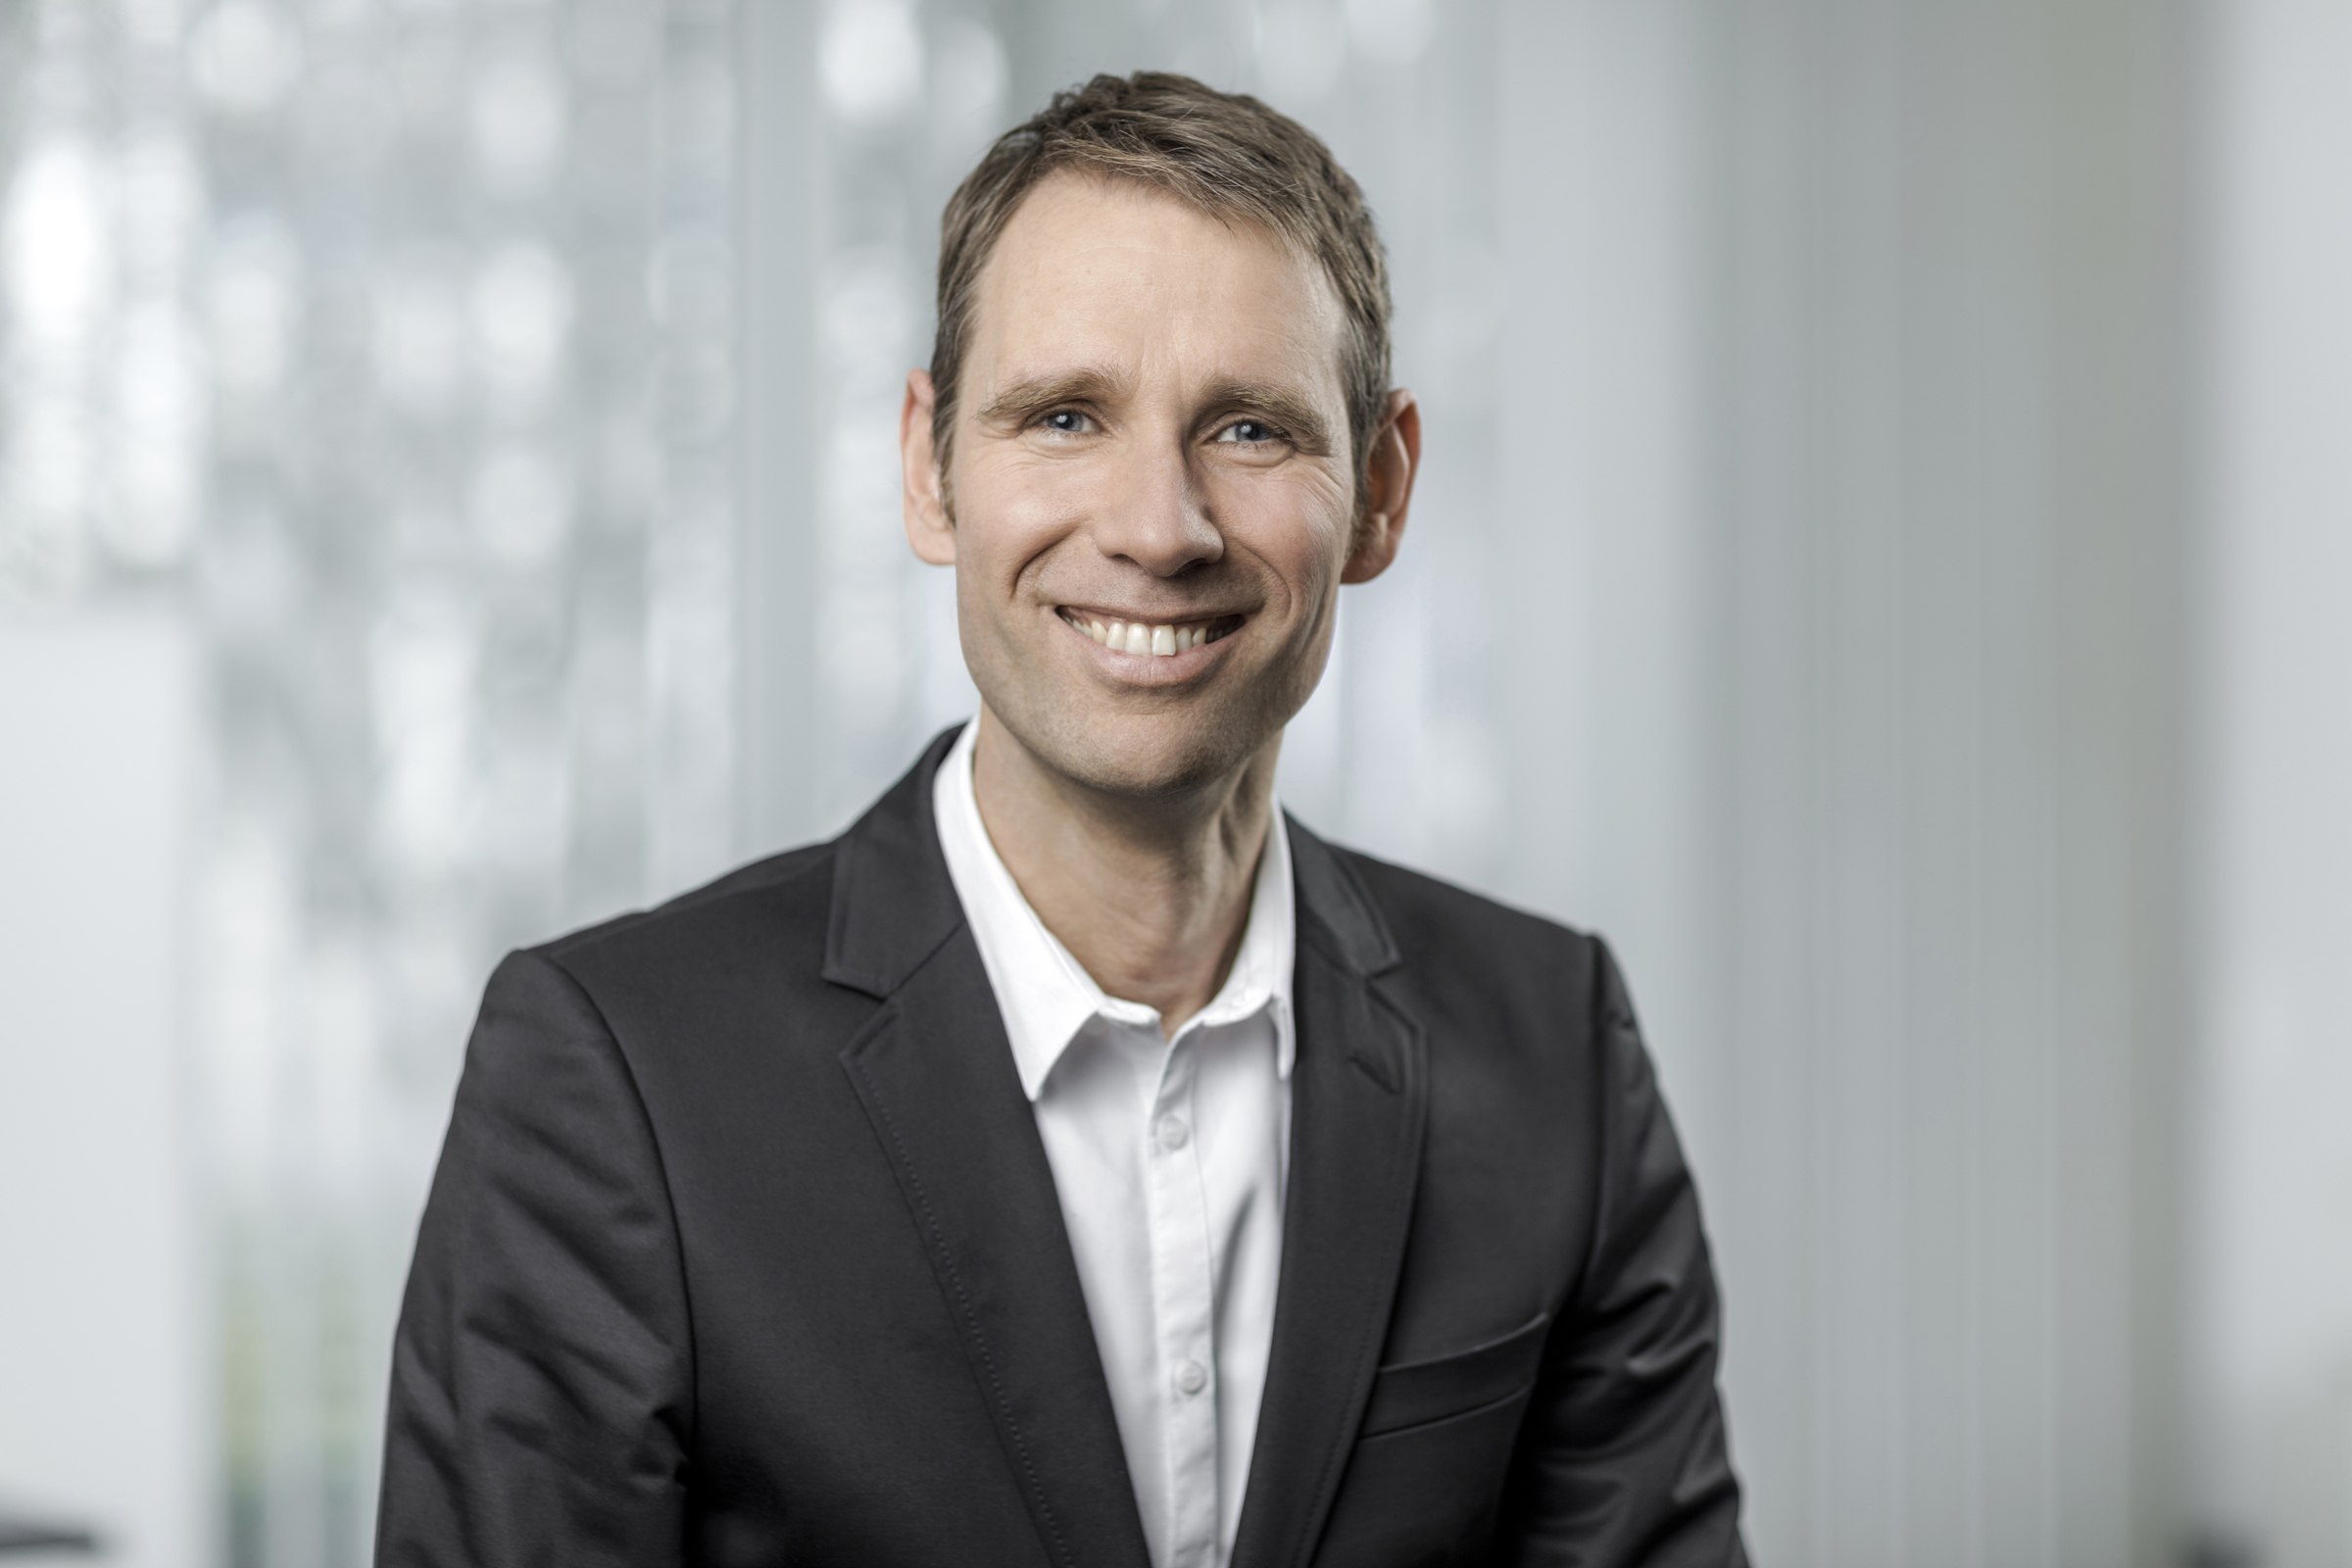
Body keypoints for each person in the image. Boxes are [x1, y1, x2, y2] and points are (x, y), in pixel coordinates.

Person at [376, 72, 1745, 1568]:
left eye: (1249, 428)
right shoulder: (616, 1080)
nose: (1158, 527)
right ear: (930, 468)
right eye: (1066, 416)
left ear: (1380, 488)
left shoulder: (1555, 1056)